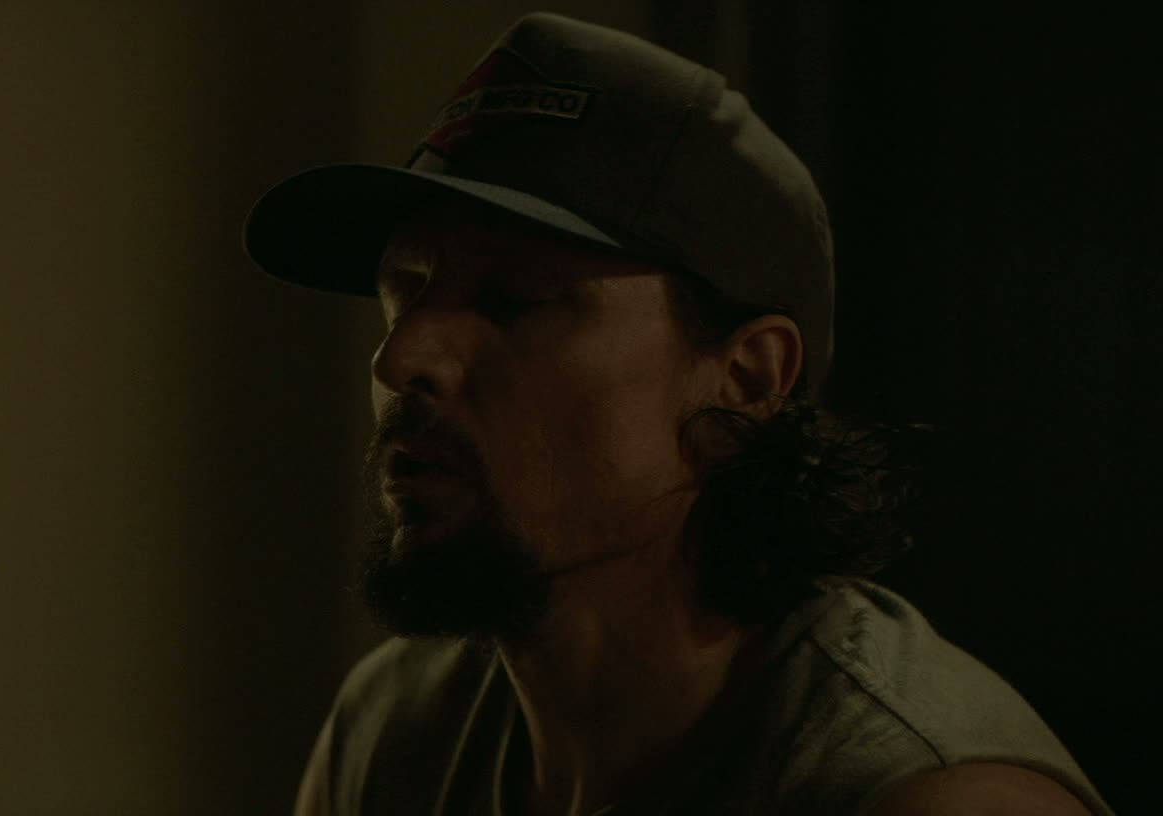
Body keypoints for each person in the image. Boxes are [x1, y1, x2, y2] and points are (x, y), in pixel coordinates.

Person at [242, 13, 1112, 816]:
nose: (399, 359)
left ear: (747, 378)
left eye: (512, 299)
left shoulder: (928, 795)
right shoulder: (396, 731)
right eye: (405, 293)